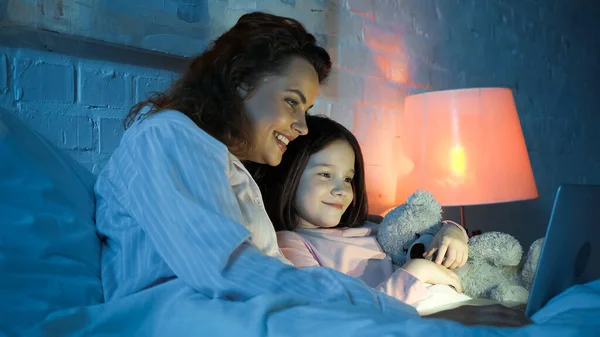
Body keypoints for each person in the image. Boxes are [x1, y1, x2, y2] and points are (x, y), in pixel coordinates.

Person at [94, 11, 530, 328]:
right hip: (190, 318)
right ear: (242, 81)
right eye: (292, 102)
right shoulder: (168, 137)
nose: (301, 126)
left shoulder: (219, 163)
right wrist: (402, 312)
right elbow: (229, 271)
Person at [250, 114, 469, 305]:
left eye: (348, 179)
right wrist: (416, 273)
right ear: (290, 176)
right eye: (325, 175)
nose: (341, 190)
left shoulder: (369, 225)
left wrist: (452, 233)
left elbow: (426, 231)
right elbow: (332, 311)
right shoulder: (291, 243)